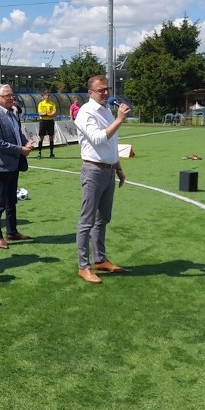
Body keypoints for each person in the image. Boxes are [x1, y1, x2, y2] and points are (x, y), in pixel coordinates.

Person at [74, 75, 131, 284]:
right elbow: (98, 138)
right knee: (86, 221)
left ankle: (99, 259)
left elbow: (112, 144)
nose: (106, 93)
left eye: (107, 89)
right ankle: (83, 266)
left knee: (102, 219)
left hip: (108, 171)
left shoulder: (106, 110)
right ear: (90, 93)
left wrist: (118, 168)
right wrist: (119, 120)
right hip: (93, 170)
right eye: (101, 90)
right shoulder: (85, 113)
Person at [0, 84, 35, 249]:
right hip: (2, 167)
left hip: (14, 164)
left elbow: (17, 134)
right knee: (0, 202)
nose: (11, 97)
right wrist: (20, 150)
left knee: (11, 200)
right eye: (7, 95)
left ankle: (12, 231)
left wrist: (25, 143)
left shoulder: (13, 114)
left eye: (12, 95)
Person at [36, 90, 57, 158]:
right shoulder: (41, 104)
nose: (47, 97)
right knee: (41, 137)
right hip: (43, 121)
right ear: (44, 96)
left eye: (48, 95)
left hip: (50, 121)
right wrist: (48, 114)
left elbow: (54, 113)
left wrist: (46, 114)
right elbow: (40, 113)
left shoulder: (52, 104)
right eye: (46, 95)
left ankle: (51, 153)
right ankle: (39, 153)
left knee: (51, 137)